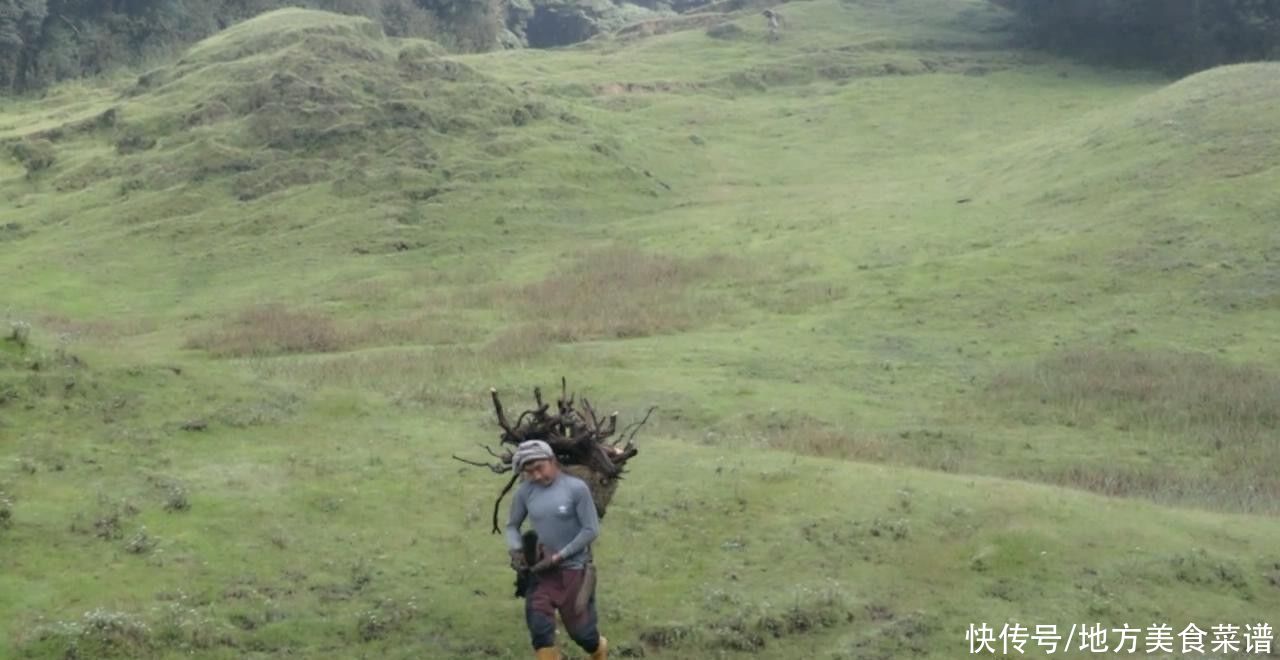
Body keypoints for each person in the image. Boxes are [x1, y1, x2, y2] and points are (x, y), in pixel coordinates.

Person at [505, 440, 607, 660]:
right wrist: (516, 551)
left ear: (552, 461)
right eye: (529, 472)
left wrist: (560, 556)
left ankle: (600, 649)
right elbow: (512, 526)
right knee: (540, 633)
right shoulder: (525, 492)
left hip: (574, 572)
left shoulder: (576, 489)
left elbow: (590, 530)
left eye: (540, 468)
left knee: (584, 635)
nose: (537, 476)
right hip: (541, 573)